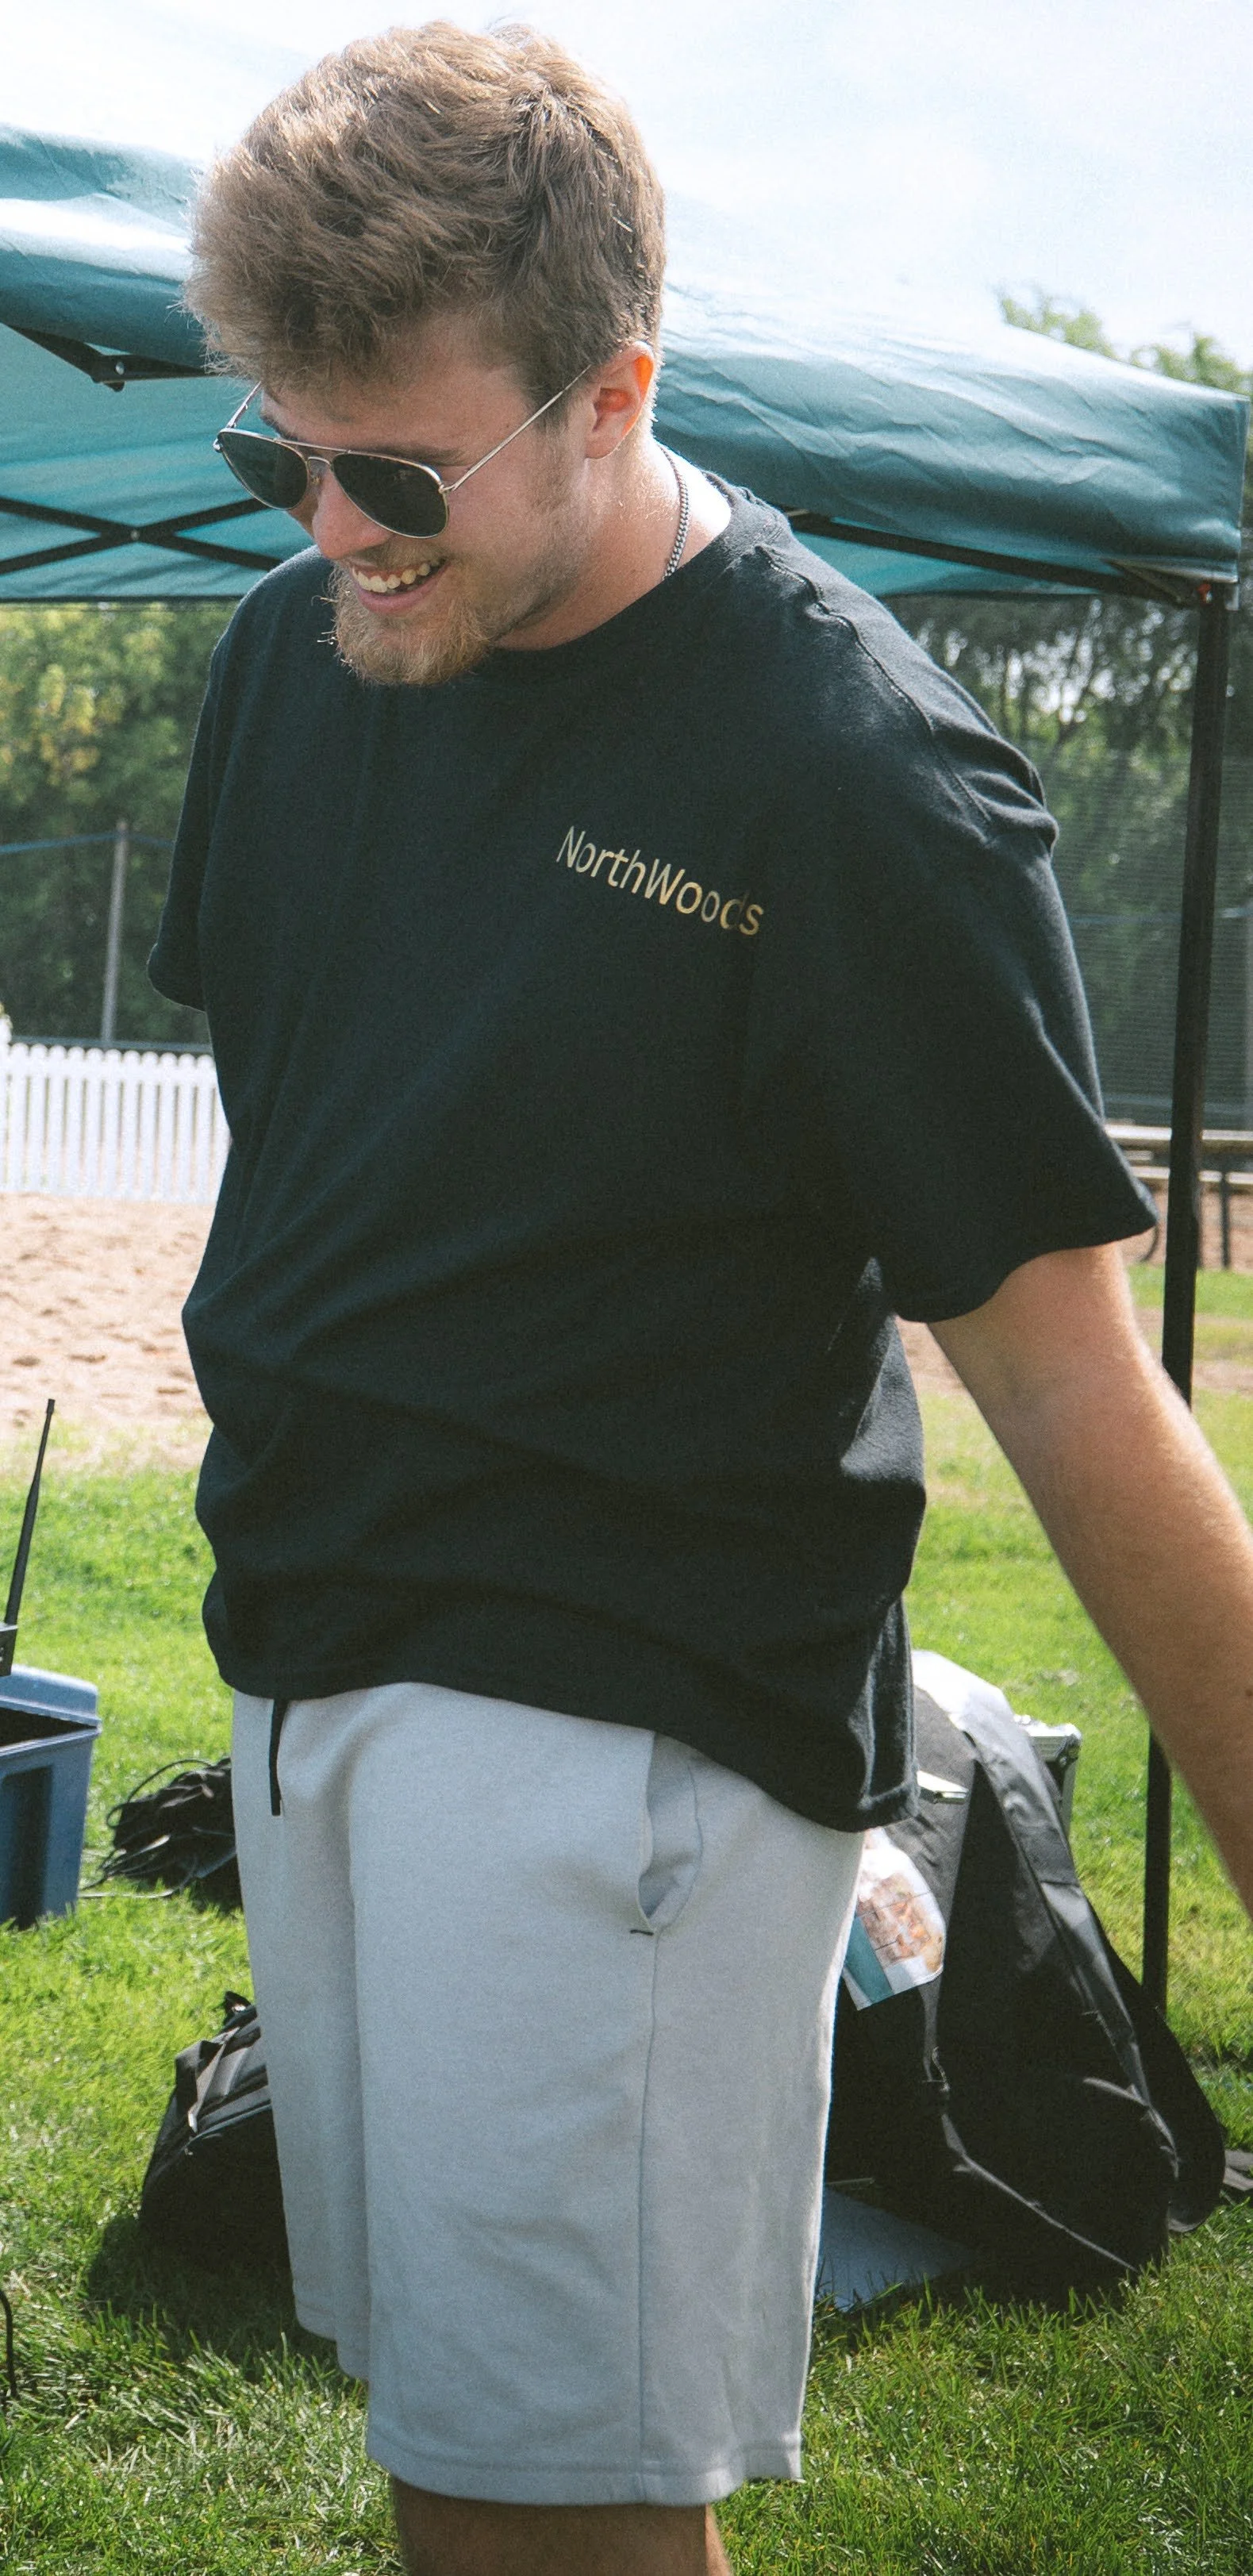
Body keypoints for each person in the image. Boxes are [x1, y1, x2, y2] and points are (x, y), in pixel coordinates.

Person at [150, 25, 1253, 2576]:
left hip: (625, 1726)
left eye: (397, 474)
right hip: (305, 1652)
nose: (330, 529)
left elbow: (1080, 1392)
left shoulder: (852, 772)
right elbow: (326, 1159)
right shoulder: (288, 656)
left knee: (565, 2521)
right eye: (274, 453)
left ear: (617, 391)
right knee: (453, 2468)